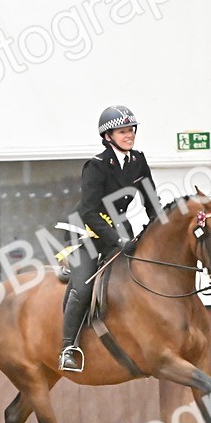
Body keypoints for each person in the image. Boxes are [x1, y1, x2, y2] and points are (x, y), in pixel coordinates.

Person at [59, 105, 159, 372]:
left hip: (120, 230)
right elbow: (89, 212)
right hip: (87, 233)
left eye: (131, 130)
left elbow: (151, 203)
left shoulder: (138, 161)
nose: (129, 135)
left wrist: (160, 227)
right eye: (122, 131)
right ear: (108, 136)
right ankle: (68, 348)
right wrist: (118, 239)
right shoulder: (96, 165)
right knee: (84, 287)